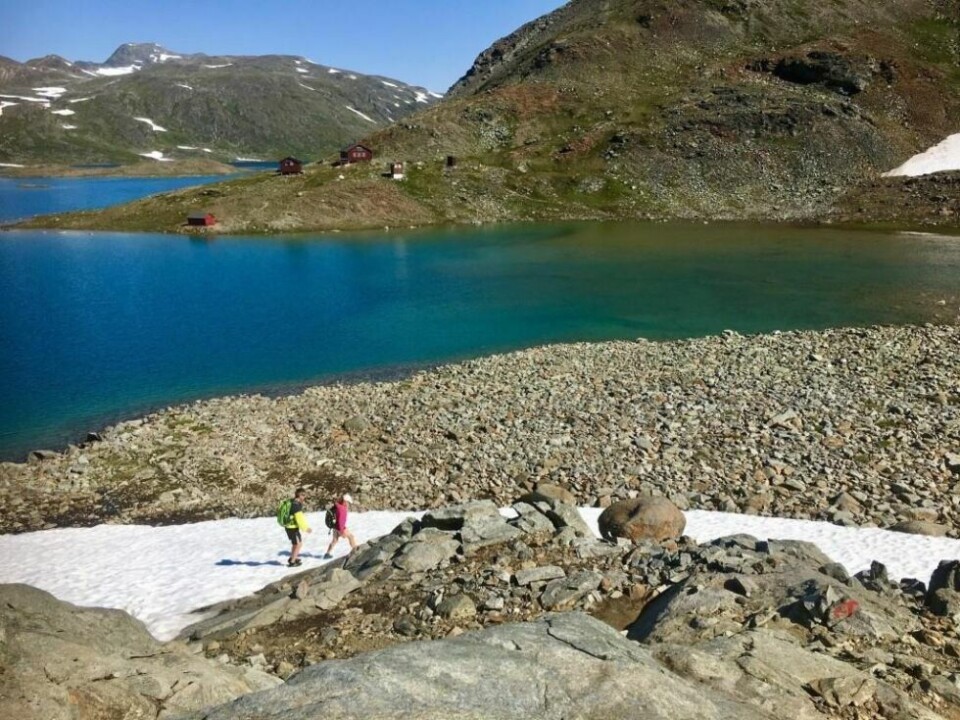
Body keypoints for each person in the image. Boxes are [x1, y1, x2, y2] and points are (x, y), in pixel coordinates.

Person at [284, 487, 312, 567]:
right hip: (293, 528)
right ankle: (292, 562)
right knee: (298, 544)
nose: (304, 497)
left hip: (289, 527)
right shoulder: (296, 506)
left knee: (295, 543)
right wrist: (306, 528)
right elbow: (300, 519)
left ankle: (293, 557)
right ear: (299, 495)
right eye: (303, 495)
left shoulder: (291, 501)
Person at [324, 493, 357, 559]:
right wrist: (341, 531)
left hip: (335, 527)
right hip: (340, 528)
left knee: (334, 541)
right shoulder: (342, 509)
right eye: (348, 503)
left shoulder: (337, 506)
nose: (348, 504)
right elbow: (341, 520)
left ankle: (327, 553)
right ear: (345, 501)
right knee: (351, 537)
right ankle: (355, 551)